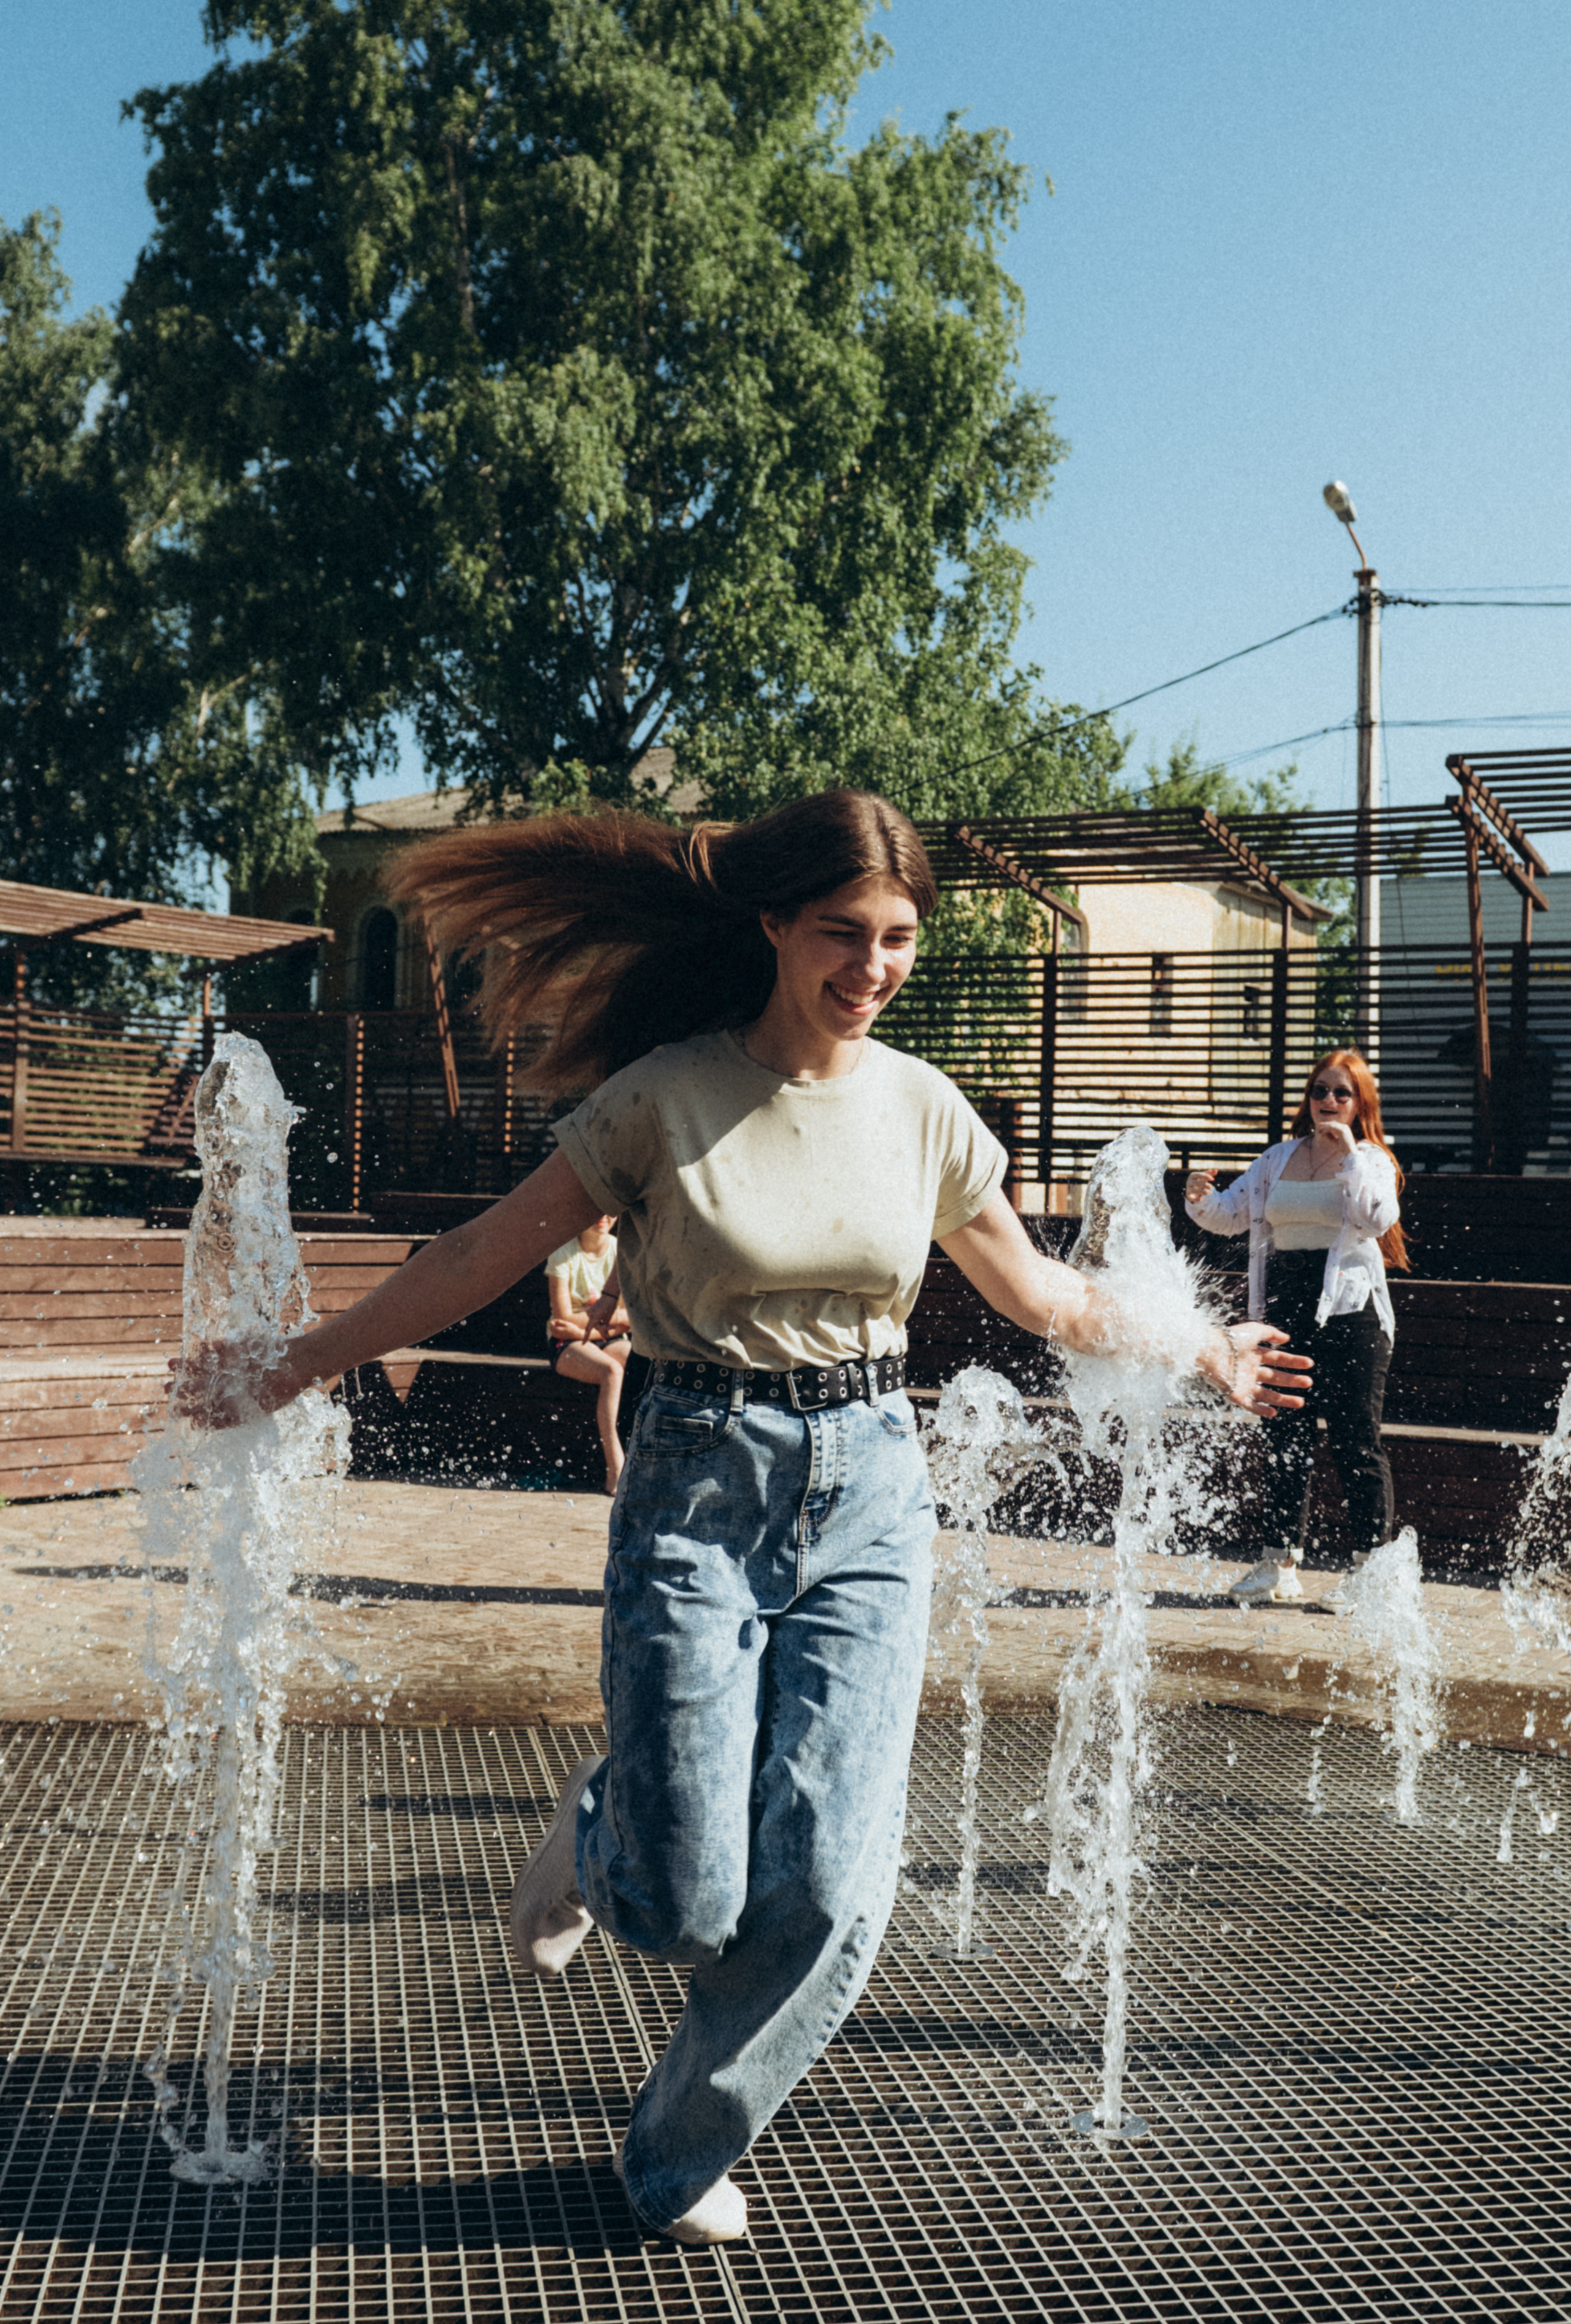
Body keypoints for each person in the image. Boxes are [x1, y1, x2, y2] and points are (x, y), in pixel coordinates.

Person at [177, 790, 1310, 2247]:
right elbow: (470, 1256)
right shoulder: (663, 1097)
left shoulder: (920, 1110)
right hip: (698, 1474)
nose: (873, 964)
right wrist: (288, 1364)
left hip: (871, 1487)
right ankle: (597, 1842)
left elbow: (1048, 1297)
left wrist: (1198, 1344)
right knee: (686, 1897)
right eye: (844, 932)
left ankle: (672, 2154)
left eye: (897, 937)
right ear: (773, 923)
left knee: (829, 1885)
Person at [1184, 1047, 1407, 1603]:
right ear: (1306, 1099)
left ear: (1360, 1105)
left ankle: (1368, 1570)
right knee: (1284, 1437)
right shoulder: (1278, 1158)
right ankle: (1277, 1563)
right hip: (1286, 1313)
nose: (1328, 1102)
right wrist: (1198, 1198)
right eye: (1319, 1092)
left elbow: (1378, 1217)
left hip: (1352, 1314)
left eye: (1341, 1094)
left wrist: (1351, 1152)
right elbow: (1229, 1216)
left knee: (1357, 1440)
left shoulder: (1372, 1159)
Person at [546, 1215, 631, 1493]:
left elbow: (632, 1317)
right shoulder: (563, 1253)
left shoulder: (622, 1250)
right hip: (566, 1345)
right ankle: (615, 1467)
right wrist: (608, 1320)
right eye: (596, 1211)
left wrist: (580, 1327)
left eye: (610, 1211)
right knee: (611, 1371)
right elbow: (561, 1319)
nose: (604, 1217)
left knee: (642, 1361)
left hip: (600, 1337)